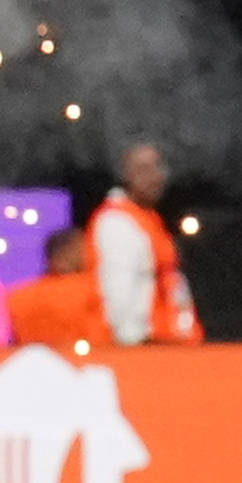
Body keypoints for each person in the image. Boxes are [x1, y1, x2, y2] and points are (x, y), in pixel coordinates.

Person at [91, 142, 201, 347]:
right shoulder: (118, 222)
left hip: (169, 342)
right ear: (125, 176)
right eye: (143, 169)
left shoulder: (147, 218)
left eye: (158, 167)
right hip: (146, 346)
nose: (153, 177)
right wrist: (132, 343)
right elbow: (118, 288)